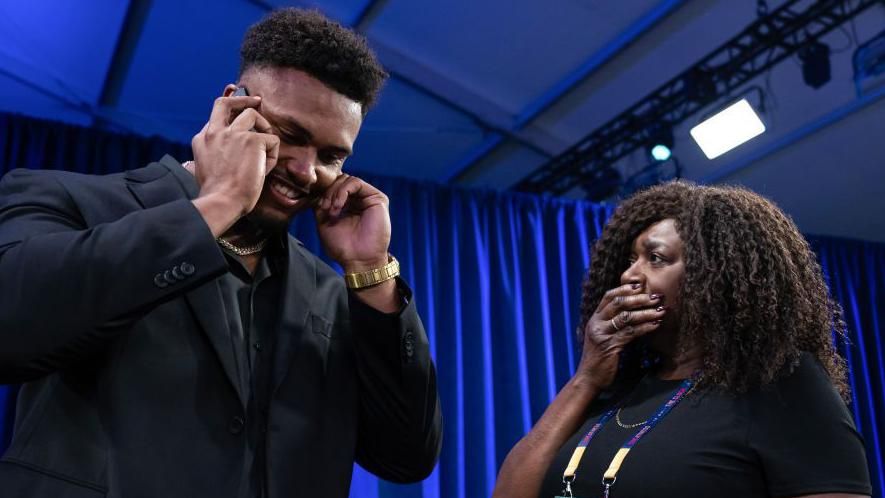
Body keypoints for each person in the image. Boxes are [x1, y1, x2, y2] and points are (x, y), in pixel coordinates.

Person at [0, 8, 441, 498]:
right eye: (290, 135)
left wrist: (370, 272)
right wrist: (219, 203)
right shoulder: (72, 201)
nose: (306, 170)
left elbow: (406, 456)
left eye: (331, 156)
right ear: (231, 109)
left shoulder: (334, 294)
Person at [493, 181, 871, 498]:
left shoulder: (782, 384)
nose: (630, 276)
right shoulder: (617, 390)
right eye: (629, 259)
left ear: (715, 277)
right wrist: (586, 377)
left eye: (655, 259)